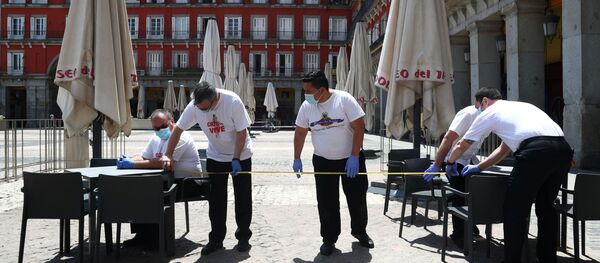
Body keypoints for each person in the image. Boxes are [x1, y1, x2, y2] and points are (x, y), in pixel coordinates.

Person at [446, 87, 573, 263]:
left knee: (515, 209)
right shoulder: (522, 107)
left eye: (479, 107)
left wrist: (450, 162)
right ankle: (547, 258)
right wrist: (480, 167)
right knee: (546, 206)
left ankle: (512, 260)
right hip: (563, 150)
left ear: (484, 101)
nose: (478, 112)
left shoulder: (489, 112)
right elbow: (503, 149)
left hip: (535, 152)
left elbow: (462, 144)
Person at [162, 81, 253, 255]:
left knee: (243, 197)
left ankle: (243, 237)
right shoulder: (195, 105)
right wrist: (168, 154)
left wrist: (236, 158)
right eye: (199, 108)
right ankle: (216, 239)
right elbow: (178, 129)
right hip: (216, 155)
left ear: (215, 100)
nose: (201, 111)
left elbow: (242, 132)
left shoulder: (232, 101)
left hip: (240, 154)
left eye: (205, 109)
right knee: (216, 199)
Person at [293, 71, 374, 256]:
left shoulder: (344, 100)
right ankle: (329, 239)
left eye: (308, 90)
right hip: (323, 161)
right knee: (326, 201)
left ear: (321, 90)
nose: (305, 95)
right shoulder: (307, 106)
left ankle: (360, 232)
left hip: (350, 159)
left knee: (357, 198)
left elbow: (359, 127)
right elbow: (300, 133)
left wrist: (354, 156)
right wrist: (296, 158)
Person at [117, 109, 205, 250]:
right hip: (165, 181)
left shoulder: (181, 137)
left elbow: (164, 163)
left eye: (163, 126)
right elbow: (145, 157)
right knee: (137, 191)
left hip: (189, 182)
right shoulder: (156, 138)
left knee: (151, 193)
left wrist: (133, 164)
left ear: (172, 122)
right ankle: (142, 235)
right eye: (156, 128)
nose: (160, 130)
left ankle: (156, 238)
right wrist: (130, 159)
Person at [422, 90, 498, 249]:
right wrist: (438, 163)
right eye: (494, 103)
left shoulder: (486, 117)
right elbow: (448, 138)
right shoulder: (468, 114)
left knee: (474, 193)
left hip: (467, 160)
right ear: (483, 102)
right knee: (460, 195)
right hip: (453, 161)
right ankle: (459, 234)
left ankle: (470, 225)